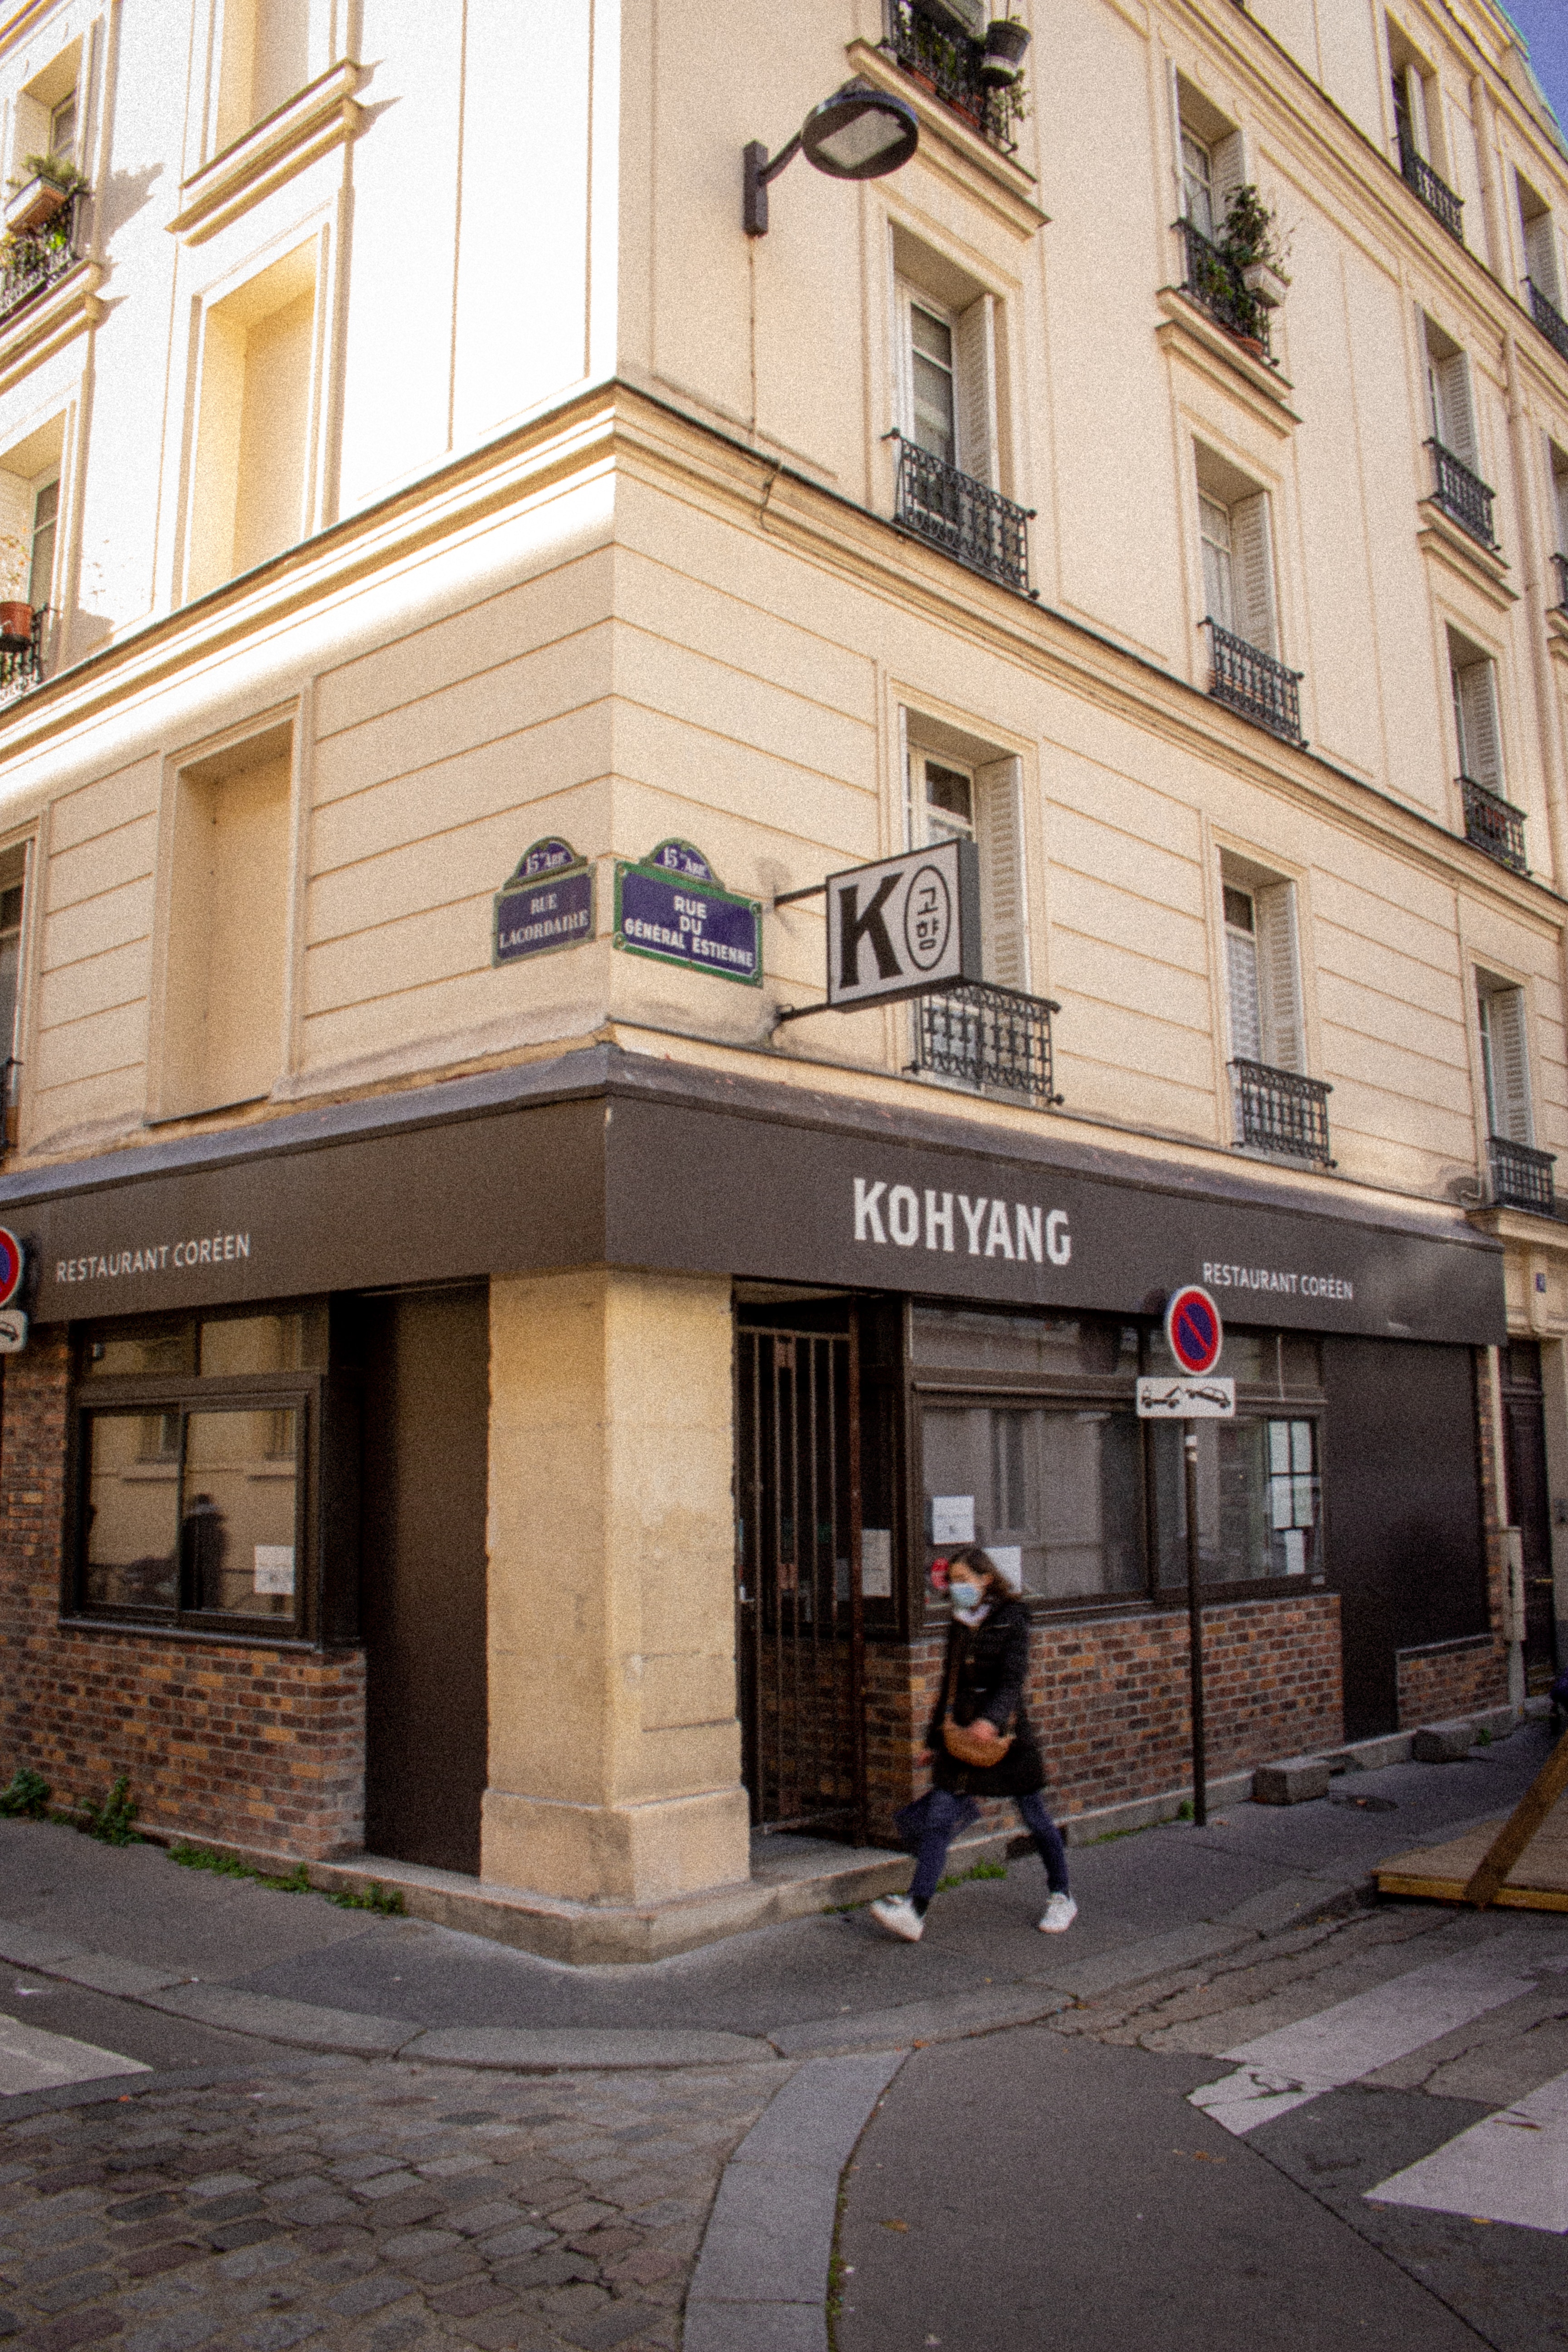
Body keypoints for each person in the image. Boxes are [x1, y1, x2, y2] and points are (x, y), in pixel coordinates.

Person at [870, 1544, 1076, 1944]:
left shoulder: (1013, 1617)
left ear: (986, 1579)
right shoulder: (960, 1622)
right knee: (939, 1818)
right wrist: (934, 1737)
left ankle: (1062, 1894)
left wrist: (992, 1720)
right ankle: (916, 1908)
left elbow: (1012, 1679)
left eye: (965, 1581)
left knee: (1035, 1816)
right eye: (953, 1582)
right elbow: (950, 1682)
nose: (957, 1588)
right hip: (961, 1734)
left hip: (1004, 1736)